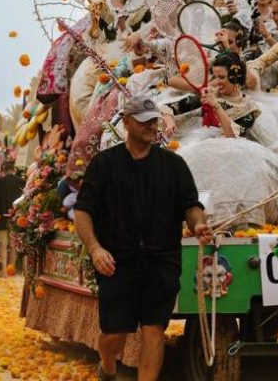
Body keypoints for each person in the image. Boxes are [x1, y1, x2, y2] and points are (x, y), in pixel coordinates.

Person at [74, 94, 212, 381]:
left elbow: (191, 205)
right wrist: (96, 248)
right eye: (144, 122)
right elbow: (83, 212)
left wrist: (198, 225)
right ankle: (108, 368)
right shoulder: (105, 164)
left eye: (154, 122)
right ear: (126, 123)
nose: (151, 127)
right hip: (117, 262)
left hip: (161, 262)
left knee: (154, 331)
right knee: (113, 335)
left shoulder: (174, 166)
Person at [0, 162, 24, 277]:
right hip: (16, 217)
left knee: (2, 244)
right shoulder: (21, 182)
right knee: (14, 244)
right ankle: (11, 269)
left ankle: (4, 271)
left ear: (3, 170)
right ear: (14, 169)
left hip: (1, 217)